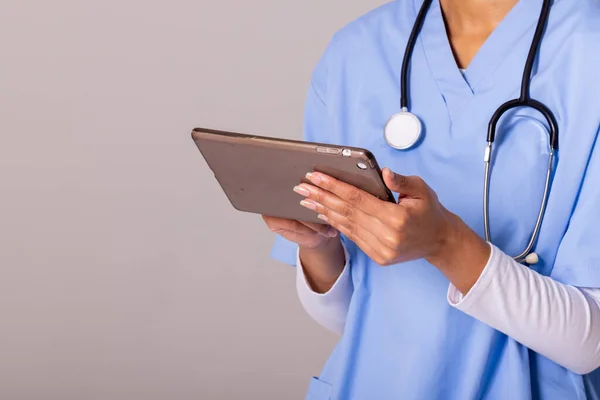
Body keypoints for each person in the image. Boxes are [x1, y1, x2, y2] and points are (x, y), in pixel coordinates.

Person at [263, 0, 600, 398]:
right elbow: (352, 317)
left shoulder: (587, 46)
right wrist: (318, 245)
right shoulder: (356, 50)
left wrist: (445, 243)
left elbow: (588, 344)